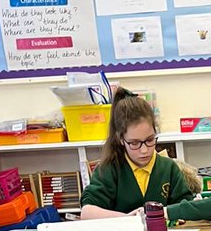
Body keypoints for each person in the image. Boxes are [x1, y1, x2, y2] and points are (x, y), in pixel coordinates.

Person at [80, 88, 193, 218]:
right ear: (121, 139)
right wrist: (129, 219)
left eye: (150, 140)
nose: (144, 150)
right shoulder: (109, 169)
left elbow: (186, 207)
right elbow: (86, 212)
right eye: (134, 143)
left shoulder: (169, 168)